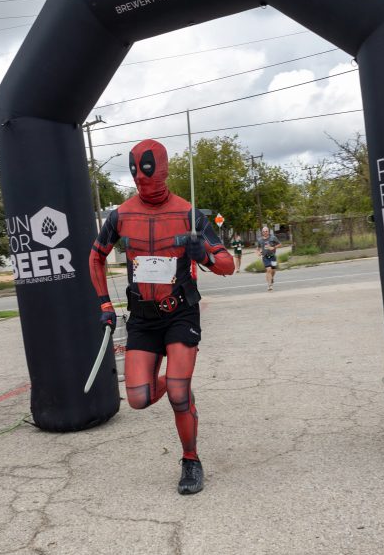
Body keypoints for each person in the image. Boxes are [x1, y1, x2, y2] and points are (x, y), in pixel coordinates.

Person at [89, 139, 235, 495]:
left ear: (164, 169)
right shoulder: (120, 215)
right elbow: (95, 257)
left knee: (178, 394)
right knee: (138, 398)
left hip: (179, 313)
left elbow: (228, 265)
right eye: (135, 170)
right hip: (142, 316)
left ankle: (190, 460)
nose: (141, 177)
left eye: (148, 169)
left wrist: (204, 254)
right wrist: (105, 305)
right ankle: (176, 381)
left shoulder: (189, 214)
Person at [257, 226, 281, 291]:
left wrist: (273, 247)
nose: (265, 232)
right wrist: (258, 252)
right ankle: (270, 285)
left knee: (273, 271)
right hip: (265, 257)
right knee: (268, 270)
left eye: (266, 231)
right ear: (262, 232)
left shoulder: (273, 237)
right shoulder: (260, 240)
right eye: (264, 231)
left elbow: (280, 244)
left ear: (268, 231)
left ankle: (272, 278)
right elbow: (258, 248)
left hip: (273, 256)